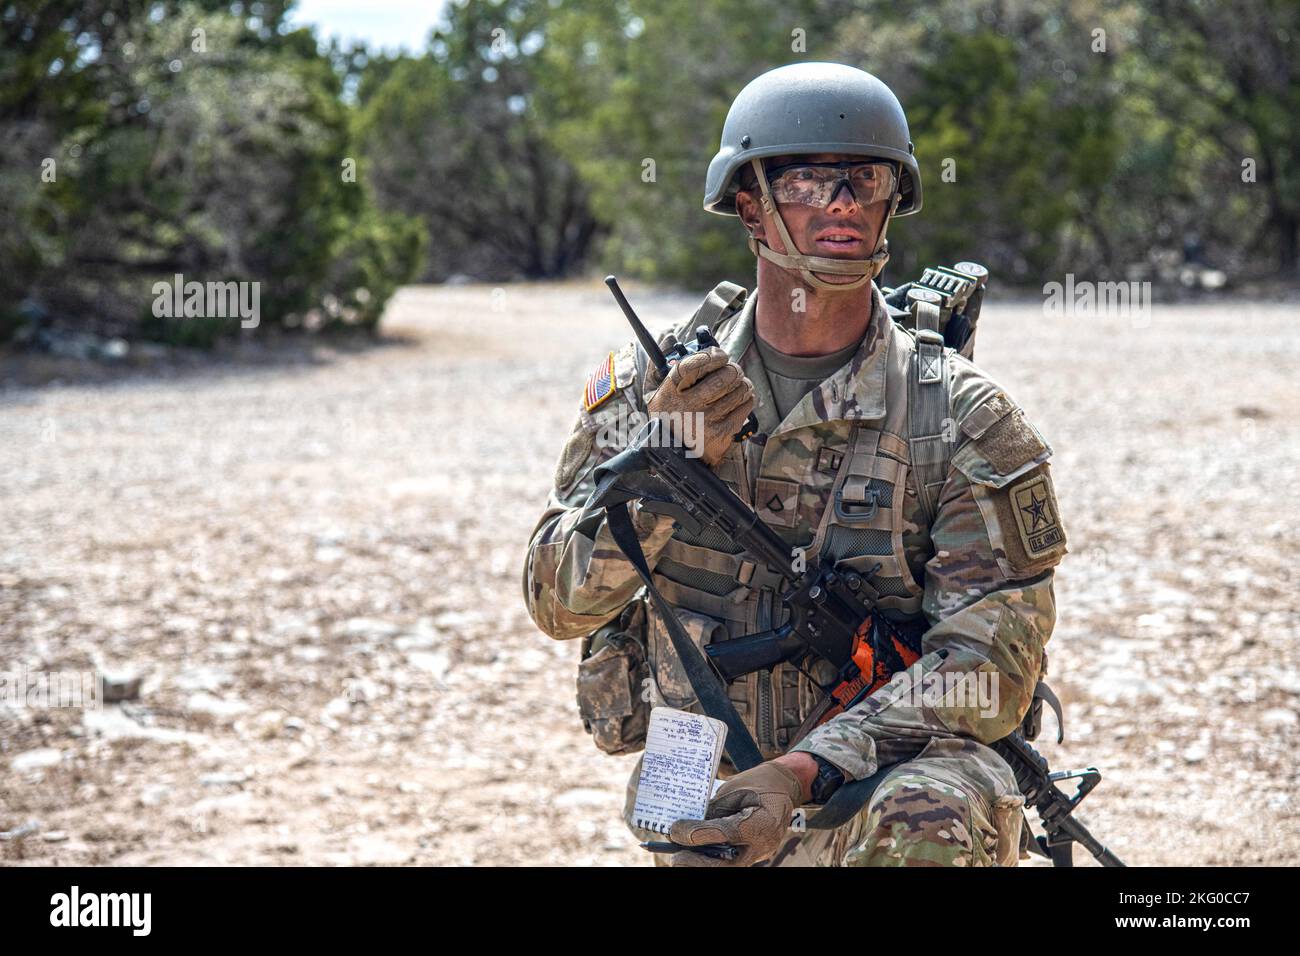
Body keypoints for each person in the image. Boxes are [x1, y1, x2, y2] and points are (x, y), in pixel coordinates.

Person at [522, 62, 1068, 866]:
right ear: (750, 204)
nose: (843, 203)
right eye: (810, 182)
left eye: (867, 180)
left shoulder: (963, 416)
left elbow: (987, 666)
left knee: (930, 816)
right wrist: (666, 472)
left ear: (892, 202)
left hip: (891, 765)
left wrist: (802, 771)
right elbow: (555, 601)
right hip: (701, 758)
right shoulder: (650, 391)